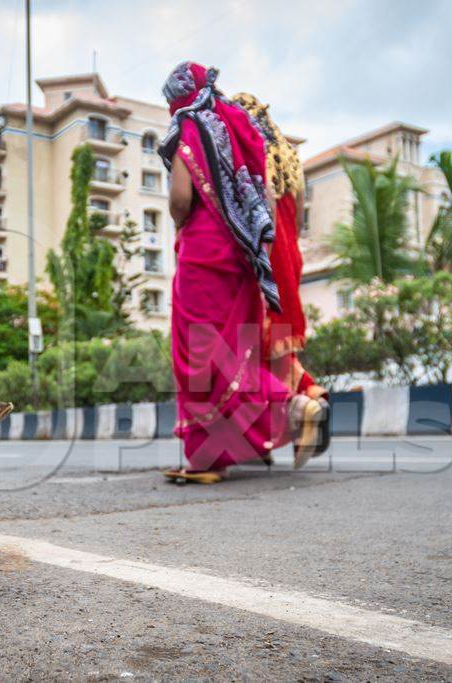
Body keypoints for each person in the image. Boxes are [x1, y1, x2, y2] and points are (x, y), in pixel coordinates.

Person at [159, 62, 316, 484]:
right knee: (237, 350)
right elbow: (265, 194)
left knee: (198, 356)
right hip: (246, 256)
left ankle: (291, 407)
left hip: (203, 254)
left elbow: (179, 198)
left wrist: (181, 219)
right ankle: (213, 455)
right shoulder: (240, 126)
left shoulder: (189, 125)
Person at [231, 92, 331, 467]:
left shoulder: (252, 155)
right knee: (279, 351)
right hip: (291, 261)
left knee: (249, 354)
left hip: (266, 262)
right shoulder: (291, 159)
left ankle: (296, 408)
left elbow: (264, 211)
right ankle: (312, 397)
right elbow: (300, 220)